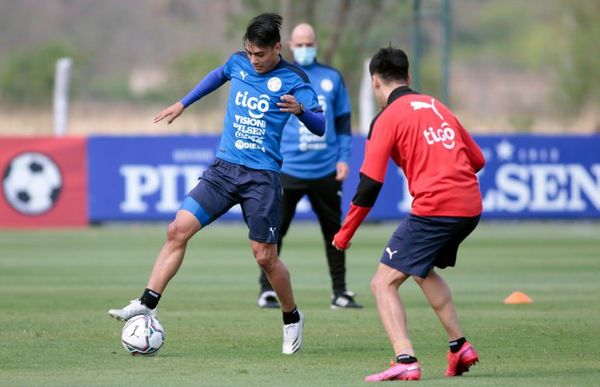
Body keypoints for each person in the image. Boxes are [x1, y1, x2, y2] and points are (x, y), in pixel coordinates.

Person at [108, 13, 325, 355]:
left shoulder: (295, 79)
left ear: (277, 48)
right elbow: (218, 75)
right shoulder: (237, 63)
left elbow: (321, 126)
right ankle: (147, 303)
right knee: (177, 229)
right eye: (250, 53)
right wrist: (183, 102)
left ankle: (291, 317)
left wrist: (300, 111)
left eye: (261, 55)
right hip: (224, 170)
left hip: (262, 178)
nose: (253, 61)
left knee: (265, 258)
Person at [332, 46, 485, 381]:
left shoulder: (386, 119)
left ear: (375, 83)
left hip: (436, 208)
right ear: (409, 77)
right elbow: (478, 160)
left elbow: (370, 184)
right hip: (470, 205)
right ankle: (459, 347)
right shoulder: (437, 106)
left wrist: (345, 233)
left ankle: (406, 359)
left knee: (382, 283)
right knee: (421, 270)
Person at [256, 23, 361, 310]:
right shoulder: (280, 76)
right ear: (290, 45)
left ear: (316, 43)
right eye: (299, 44)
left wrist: (344, 158)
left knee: (335, 233)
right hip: (288, 168)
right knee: (275, 230)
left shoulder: (331, 78)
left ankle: (340, 292)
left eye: (308, 44)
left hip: (325, 169)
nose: (304, 49)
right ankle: (267, 290)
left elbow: (341, 123)